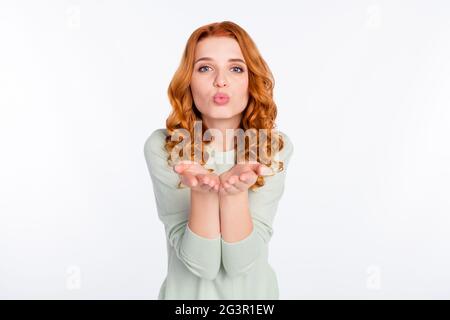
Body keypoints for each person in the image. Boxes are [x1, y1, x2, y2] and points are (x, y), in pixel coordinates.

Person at [144, 21, 294, 300]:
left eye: (235, 68)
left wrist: (233, 194)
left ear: (252, 80)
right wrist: (203, 194)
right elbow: (203, 265)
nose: (220, 81)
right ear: (188, 80)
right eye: (205, 68)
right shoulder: (165, 146)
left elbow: (240, 264)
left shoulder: (272, 147)